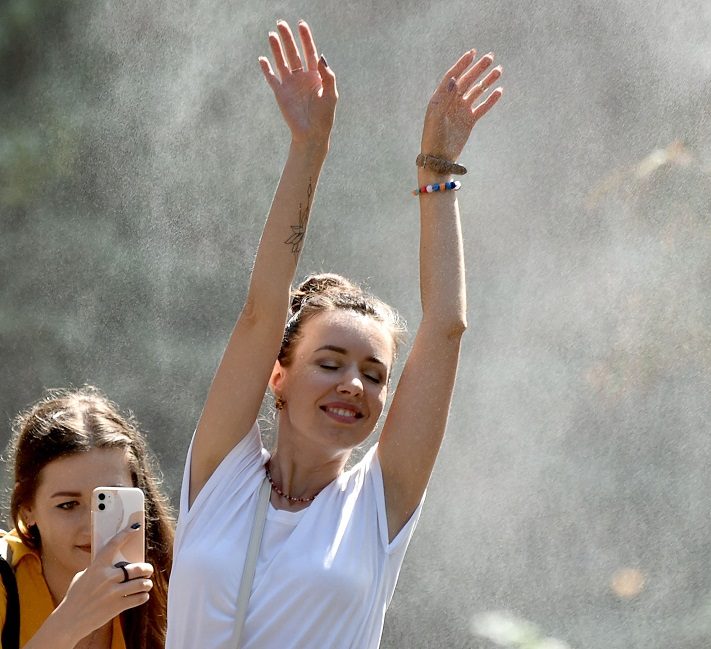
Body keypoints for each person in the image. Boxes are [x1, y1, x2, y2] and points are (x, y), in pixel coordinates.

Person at [165, 17, 503, 649]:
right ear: (278, 376)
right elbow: (262, 312)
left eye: (375, 374)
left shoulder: (378, 502)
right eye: (330, 362)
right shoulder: (218, 474)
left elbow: (446, 328)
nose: (354, 383)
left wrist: (438, 169)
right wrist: (308, 149)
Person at [1, 386, 174, 649]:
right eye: (68, 505)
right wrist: (68, 624)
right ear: (27, 508)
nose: (92, 525)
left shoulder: (170, 587)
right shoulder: (5, 576)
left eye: (109, 502)